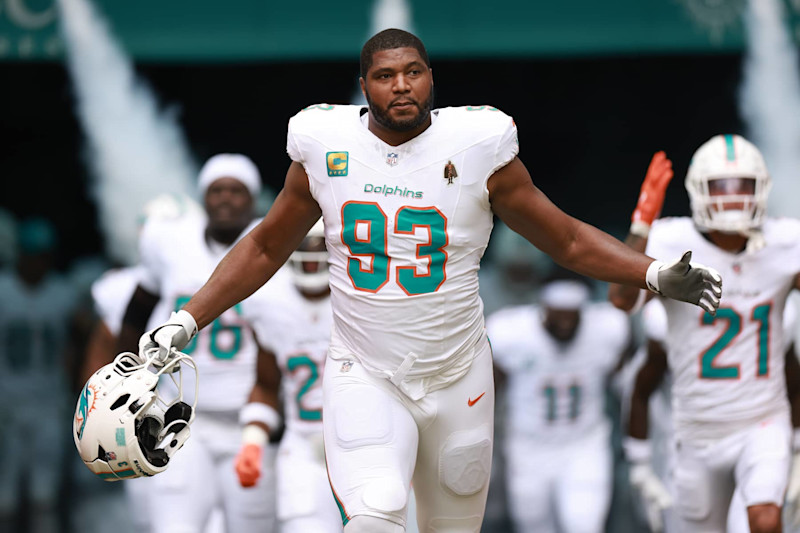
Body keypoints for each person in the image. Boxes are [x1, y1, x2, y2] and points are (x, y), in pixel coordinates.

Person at [138, 29, 721, 532]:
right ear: (363, 87)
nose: (401, 86)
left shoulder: (477, 145)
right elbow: (266, 245)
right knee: (374, 514)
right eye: (386, 76)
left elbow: (563, 237)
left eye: (413, 72)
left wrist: (648, 274)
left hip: (457, 375)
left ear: (431, 79)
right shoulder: (324, 145)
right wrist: (188, 318)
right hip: (366, 370)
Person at [609, 136, 800, 533]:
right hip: (696, 431)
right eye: (720, 187)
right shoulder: (670, 240)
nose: (732, 199)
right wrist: (641, 225)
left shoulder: (785, 242)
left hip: (763, 421)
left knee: (765, 519)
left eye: (742, 186)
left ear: (761, 188)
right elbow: (622, 299)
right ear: (699, 190)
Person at [118, 154, 278, 533]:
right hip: (181, 415)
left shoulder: (275, 245)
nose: (225, 199)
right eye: (216, 190)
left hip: (251, 420)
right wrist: (125, 372)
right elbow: (138, 307)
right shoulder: (171, 240)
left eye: (236, 192)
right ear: (203, 198)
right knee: (174, 525)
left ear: (253, 199)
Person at [487, 271, 632, 533]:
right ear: (544, 309)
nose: (566, 323)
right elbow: (491, 390)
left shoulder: (606, 329)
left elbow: (622, 380)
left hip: (583, 446)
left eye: (572, 314)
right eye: (559, 314)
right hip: (528, 448)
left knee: (584, 524)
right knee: (534, 526)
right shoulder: (512, 333)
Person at [233, 219, 342, 532]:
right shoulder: (271, 304)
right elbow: (266, 385)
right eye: (303, 244)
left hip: (364, 447)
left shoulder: (363, 299)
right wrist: (252, 442)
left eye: (319, 245)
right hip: (303, 450)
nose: (311, 254)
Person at [0, 217, 80, 533]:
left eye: (43, 256)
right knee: (4, 496)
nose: (37, 264)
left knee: (43, 497)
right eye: (32, 255)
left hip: (50, 401)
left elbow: (75, 346)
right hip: (7, 402)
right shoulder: (4, 290)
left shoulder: (62, 294)